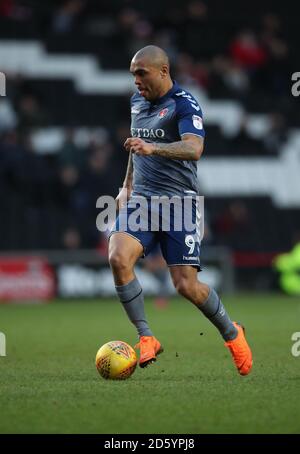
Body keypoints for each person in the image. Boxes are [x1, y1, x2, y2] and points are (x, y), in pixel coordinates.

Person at [108, 45, 252, 375]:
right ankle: (146, 337)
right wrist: (125, 186)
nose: (136, 81)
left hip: (179, 203)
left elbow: (194, 148)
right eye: (133, 75)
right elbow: (135, 147)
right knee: (118, 256)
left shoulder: (184, 104)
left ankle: (232, 333)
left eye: (141, 73)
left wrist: (154, 148)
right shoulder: (137, 103)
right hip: (143, 199)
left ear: (163, 71)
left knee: (186, 286)